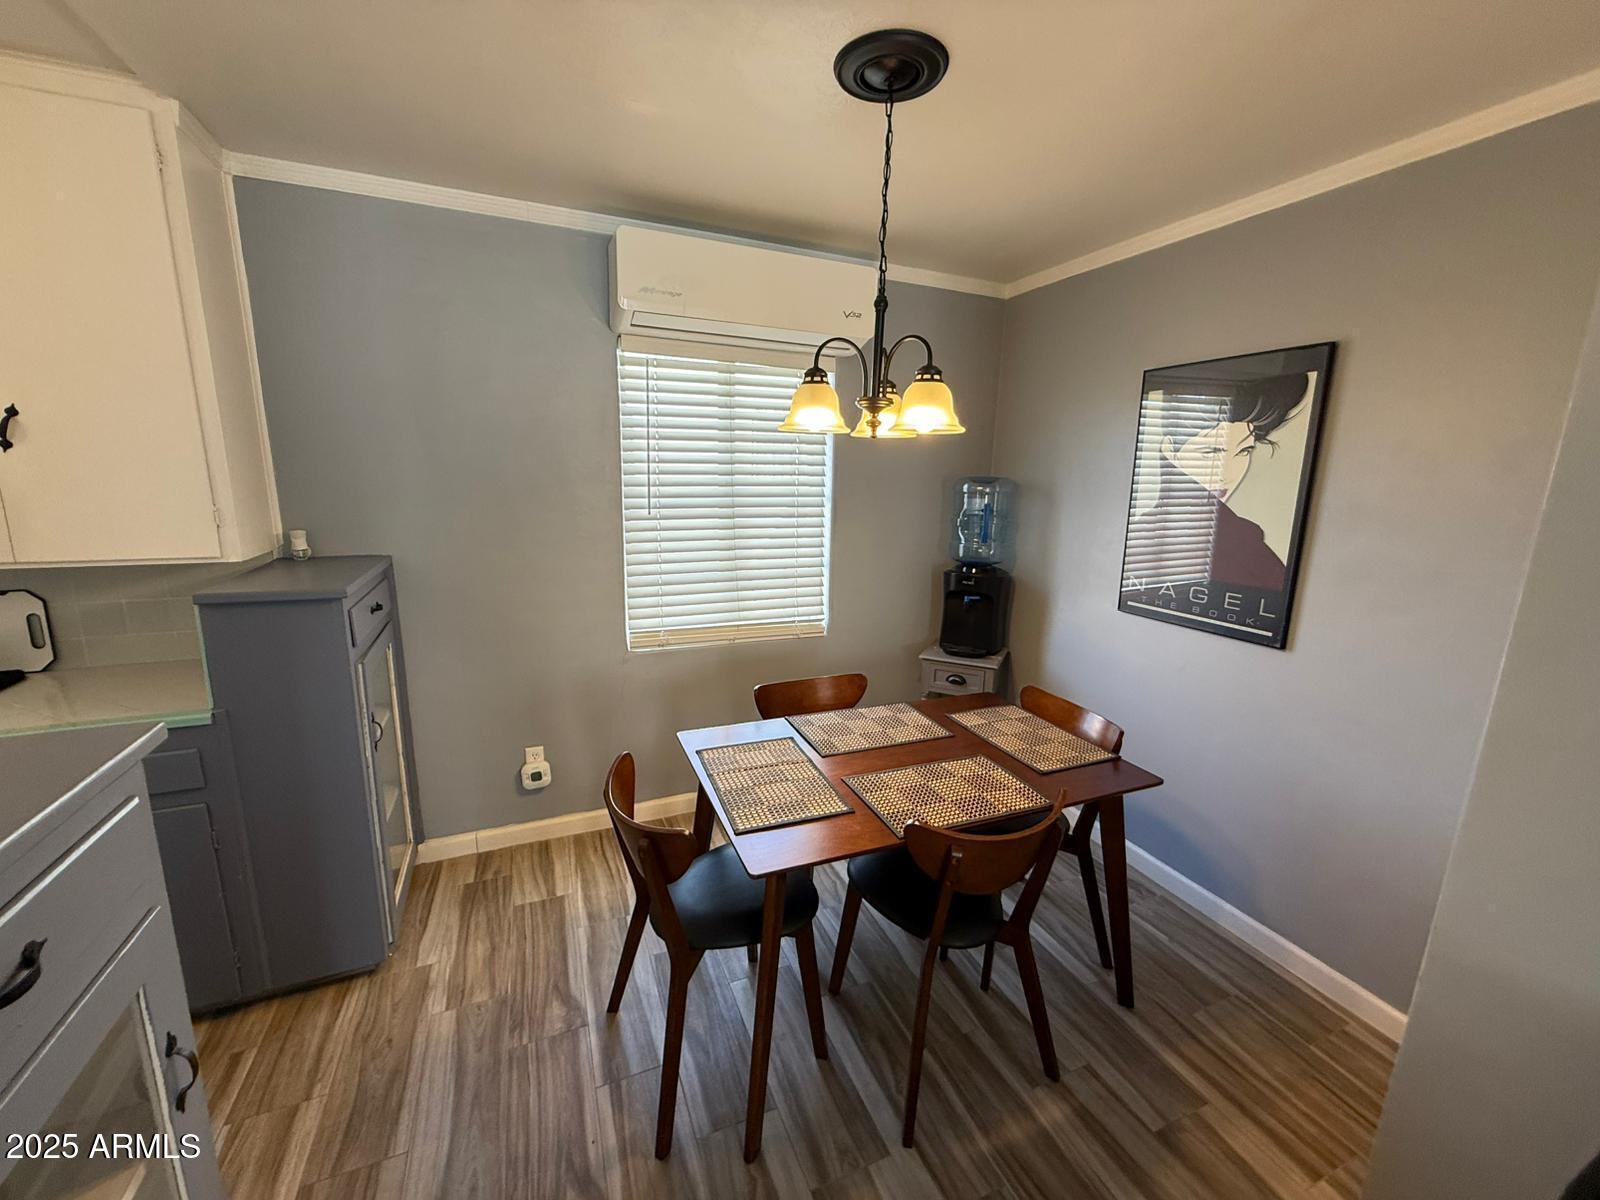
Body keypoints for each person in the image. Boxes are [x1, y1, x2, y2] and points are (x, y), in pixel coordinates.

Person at [1135, 371, 1309, 592]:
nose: (1226, 474)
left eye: (1244, 451)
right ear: (1169, 450)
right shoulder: (1146, 541)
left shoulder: (1243, 542)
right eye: (1211, 451)